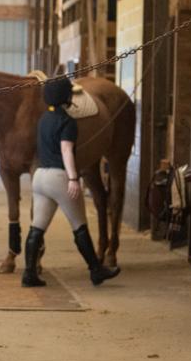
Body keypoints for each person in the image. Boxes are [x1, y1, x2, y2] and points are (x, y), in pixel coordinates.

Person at [22, 78, 120, 288]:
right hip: (59, 178)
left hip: (40, 177)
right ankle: (96, 270)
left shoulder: (43, 119)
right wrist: (74, 178)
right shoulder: (67, 121)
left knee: (37, 228)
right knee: (80, 226)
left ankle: (29, 274)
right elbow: (66, 150)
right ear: (66, 96)